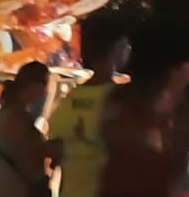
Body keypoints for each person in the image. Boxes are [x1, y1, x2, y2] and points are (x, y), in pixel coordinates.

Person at [103, 44, 189, 197]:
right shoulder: (127, 99)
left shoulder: (182, 107)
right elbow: (114, 137)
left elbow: (184, 150)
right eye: (185, 67)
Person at [46, 17, 129, 197]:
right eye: (125, 45)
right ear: (115, 50)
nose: (128, 50)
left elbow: (54, 149)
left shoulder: (69, 99)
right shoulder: (120, 99)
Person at [0, 62, 57, 197]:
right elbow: (28, 153)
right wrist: (52, 149)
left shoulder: (12, 113)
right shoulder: (14, 117)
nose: (45, 91)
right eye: (45, 83)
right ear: (32, 84)